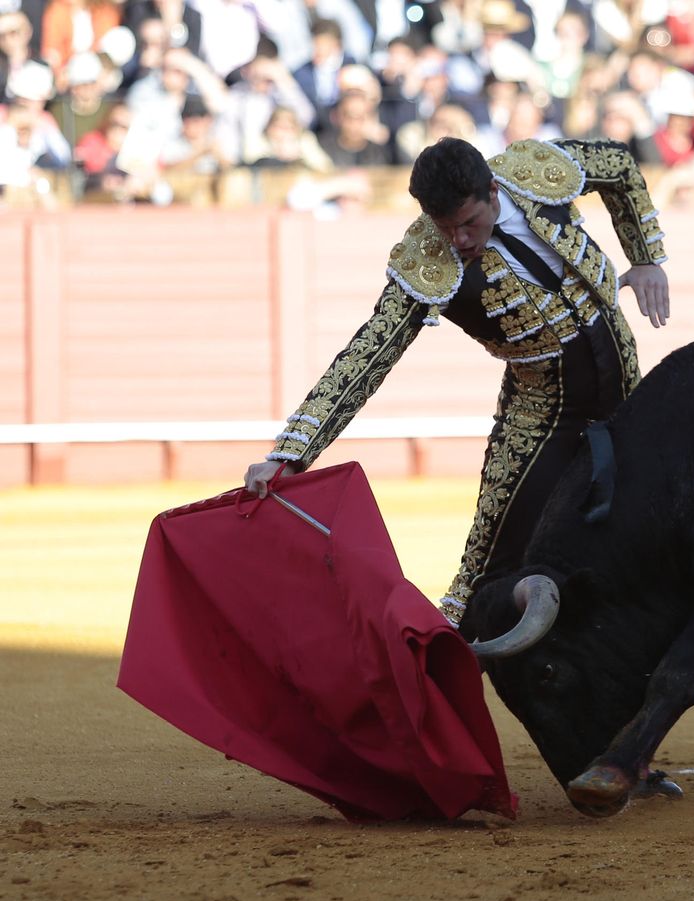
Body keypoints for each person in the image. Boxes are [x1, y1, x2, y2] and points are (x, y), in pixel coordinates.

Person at [243, 136, 672, 628]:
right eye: (447, 229)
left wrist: (645, 257)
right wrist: (290, 453)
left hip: (624, 389)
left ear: (493, 191)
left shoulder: (536, 170)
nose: (461, 241)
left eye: (469, 223)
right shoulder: (426, 258)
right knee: (485, 568)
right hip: (541, 413)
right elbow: (367, 355)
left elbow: (617, 165)